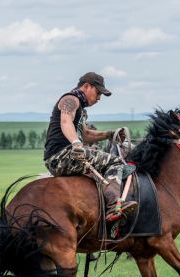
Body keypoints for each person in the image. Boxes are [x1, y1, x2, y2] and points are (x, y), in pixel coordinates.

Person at [44, 72, 137, 222]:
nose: (99, 98)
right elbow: (65, 121)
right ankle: (114, 204)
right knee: (116, 162)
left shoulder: (81, 107)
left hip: (63, 156)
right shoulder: (70, 99)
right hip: (63, 156)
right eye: (98, 92)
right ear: (86, 86)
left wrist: (109, 134)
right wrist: (76, 143)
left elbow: (86, 134)